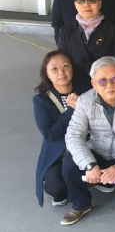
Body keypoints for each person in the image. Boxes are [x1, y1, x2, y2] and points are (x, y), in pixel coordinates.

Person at [61, 57, 115, 225]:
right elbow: (73, 135)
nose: (109, 85)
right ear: (94, 83)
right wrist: (89, 164)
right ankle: (81, 204)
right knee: (69, 165)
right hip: (97, 150)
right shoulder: (84, 101)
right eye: (102, 81)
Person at [33, 50, 79, 208]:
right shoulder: (41, 100)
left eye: (66, 66)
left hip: (87, 147)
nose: (61, 72)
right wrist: (71, 110)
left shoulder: (85, 92)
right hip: (59, 153)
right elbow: (50, 134)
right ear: (46, 73)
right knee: (56, 188)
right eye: (54, 69)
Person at [57, 0, 115, 88]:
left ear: (100, 3)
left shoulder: (114, 29)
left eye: (91, 0)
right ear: (75, 5)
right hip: (76, 86)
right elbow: (63, 63)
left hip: (106, 86)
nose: (86, 5)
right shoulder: (66, 32)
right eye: (81, 1)